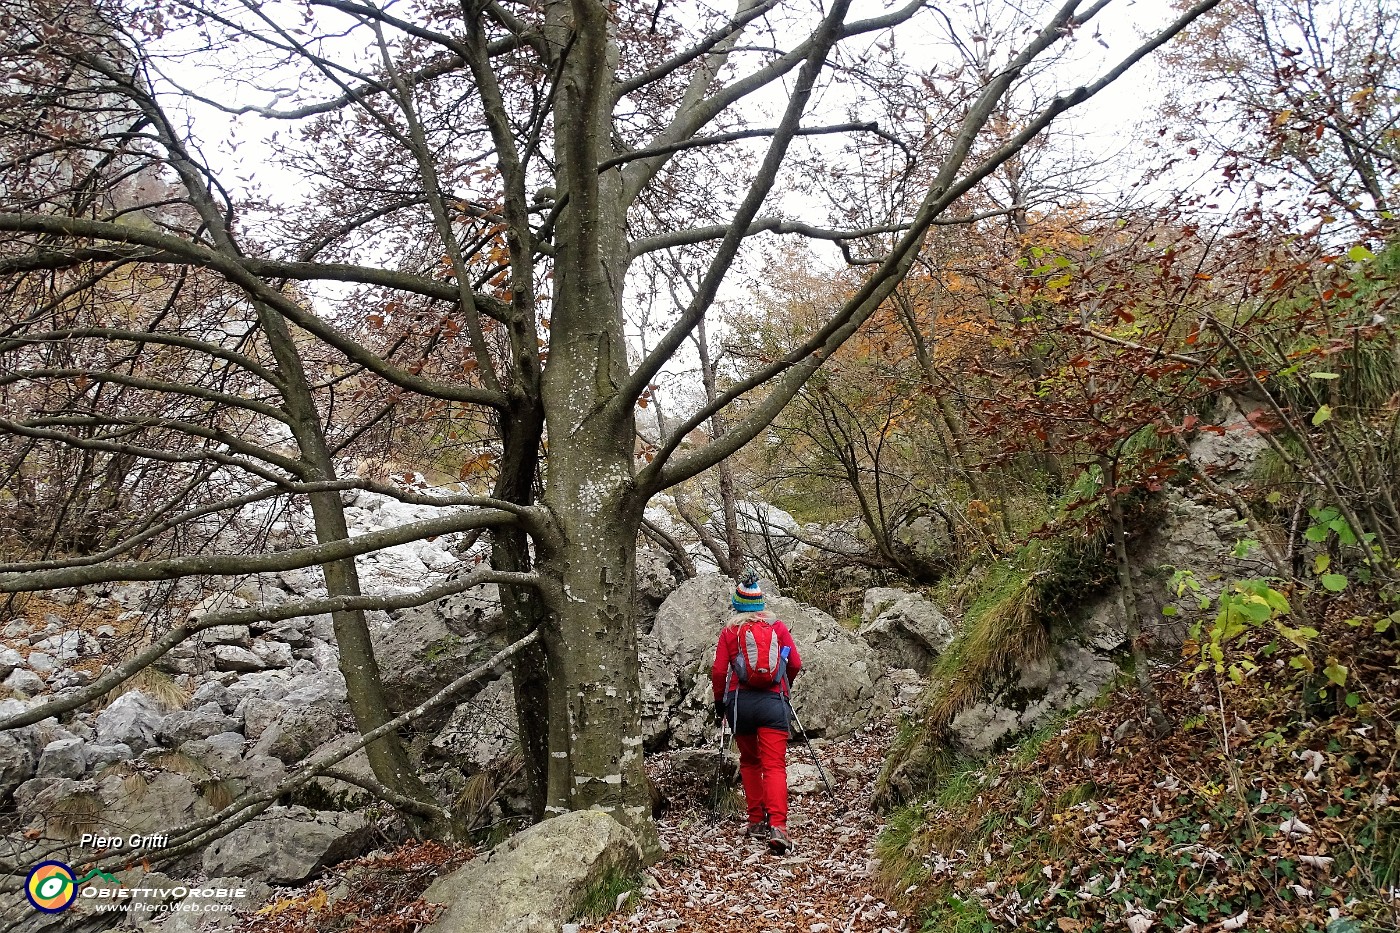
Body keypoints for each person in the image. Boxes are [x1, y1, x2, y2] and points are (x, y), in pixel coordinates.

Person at [710, 574, 802, 854]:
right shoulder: (777, 628)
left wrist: (719, 703)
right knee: (774, 765)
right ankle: (778, 827)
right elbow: (795, 663)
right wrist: (784, 686)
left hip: (741, 705)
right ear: (761, 603)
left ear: (737, 606)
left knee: (750, 762)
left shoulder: (730, 632)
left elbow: (718, 671)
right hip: (774, 703)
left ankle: (755, 821)